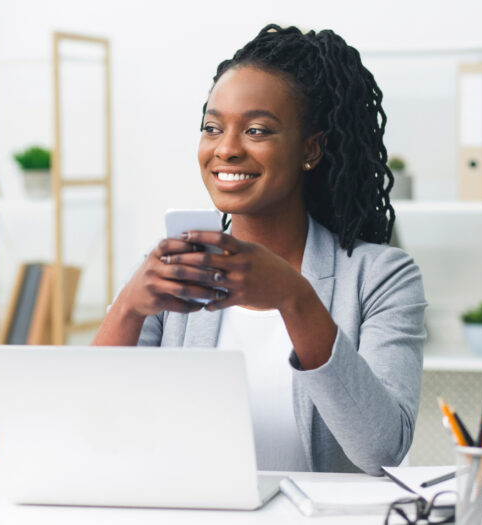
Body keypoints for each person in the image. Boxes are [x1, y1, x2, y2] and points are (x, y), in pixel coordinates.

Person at [93, 24, 426, 476]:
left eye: (256, 130)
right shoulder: (173, 266)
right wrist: (128, 308)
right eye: (212, 128)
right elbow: (94, 427)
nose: (226, 149)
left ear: (311, 149)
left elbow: (382, 450)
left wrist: (294, 297)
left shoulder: (381, 276)